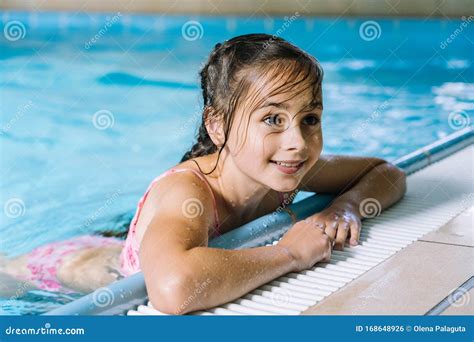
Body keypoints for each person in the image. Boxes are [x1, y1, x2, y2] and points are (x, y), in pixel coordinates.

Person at [0, 34, 406, 314]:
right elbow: (173, 290)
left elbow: (386, 172)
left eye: (310, 118)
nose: (297, 141)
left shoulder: (286, 167)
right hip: (59, 270)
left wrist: (348, 207)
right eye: (272, 119)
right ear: (217, 126)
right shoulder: (187, 192)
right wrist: (289, 254)